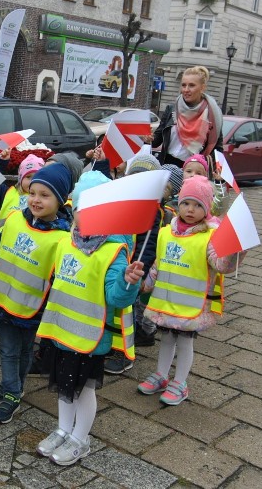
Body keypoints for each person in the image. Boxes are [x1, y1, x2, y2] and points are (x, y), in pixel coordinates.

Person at [36, 171, 143, 466]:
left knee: (82, 390)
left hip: (89, 337)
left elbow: (117, 298)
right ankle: (62, 429)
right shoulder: (65, 242)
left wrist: (128, 281)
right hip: (62, 331)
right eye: (85, 211)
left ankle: (80, 439)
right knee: (61, 387)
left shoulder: (113, 252)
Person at [138, 176, 243, 406]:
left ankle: (180, 383)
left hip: (190, 305)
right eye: (186, 203)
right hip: (166, 302)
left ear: (206, 208)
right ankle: (161, 375)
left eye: (197, 205)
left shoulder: (210, 236)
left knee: (185, 343)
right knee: (166, 339)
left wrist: (236, 254)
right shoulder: (167, 232)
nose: (190, 209)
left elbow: (220, 265)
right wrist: (146, 284)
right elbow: (159, 263)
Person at [0, 163, 74, 424]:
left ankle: (12, 390)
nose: (35, 200)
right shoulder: (15, 218)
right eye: (32, 192)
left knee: (21, 350)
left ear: (60, 200)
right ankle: (12, 387)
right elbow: (1, 245)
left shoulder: (61, 238)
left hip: (33, 304)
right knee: (10, 349)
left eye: (45, 195)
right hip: (4, 298)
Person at [104, 152, 164, 375]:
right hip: (118, 265)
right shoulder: (122, 204)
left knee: (127, 316)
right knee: (114, 309)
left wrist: (142, 269)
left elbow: (148, 246)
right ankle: (112, 345)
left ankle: (125, 354)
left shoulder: (152, 212)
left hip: (134, 269)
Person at [153, 66, 223, 167]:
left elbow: (218, 149)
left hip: (192, 170)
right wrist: (147, 138)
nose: (186, 89)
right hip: (166, 166)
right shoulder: (172, 109)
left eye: (191, 85)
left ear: (202, 88)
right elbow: (156, 141)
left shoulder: (213, 114)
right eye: (183, 85)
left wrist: (214, 169)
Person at [0, 151, 45, 233]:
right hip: (3, 240)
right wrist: (1, 162)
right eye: (28, 177)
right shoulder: (8, 193)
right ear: (20, 179)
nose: (32, 181)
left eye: (37, 176)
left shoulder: (47, 199)